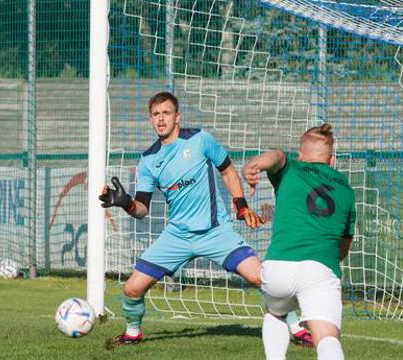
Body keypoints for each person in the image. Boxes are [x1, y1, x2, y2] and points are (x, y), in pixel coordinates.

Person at [100, 91, 307, 347]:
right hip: (177, 236)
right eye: (155, 114)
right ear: (150, 119)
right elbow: (142, 209)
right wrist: (126, 203)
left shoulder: (200, 139)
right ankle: (133, 333)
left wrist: (241, 206)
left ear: (177, 116)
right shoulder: (148, 160)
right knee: (132, 289)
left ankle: (297, 327)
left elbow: (228, 170)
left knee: (260, 277)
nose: (161, 119)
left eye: (166, 113)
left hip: (215, 232)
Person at [241, 124, 355, 360]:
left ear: (301, 154)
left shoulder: (291, 168)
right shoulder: (345, 188)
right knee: (327, 337)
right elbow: (343, 246)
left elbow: (277, 156)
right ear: (332, 159)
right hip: (319, 268)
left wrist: (255, 165)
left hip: (278, 267)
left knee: (276, 313)